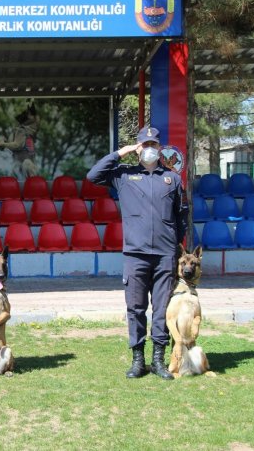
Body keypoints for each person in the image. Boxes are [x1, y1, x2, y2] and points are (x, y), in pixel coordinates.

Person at [86, 127, 188, 380]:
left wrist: (176, 245)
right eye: (145, 144)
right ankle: (138, 360)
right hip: (135, 254)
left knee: (162, 309)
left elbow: (181, 216)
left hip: (165, 254)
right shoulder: (124, 175)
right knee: (136, 308)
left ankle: (159, 360)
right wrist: (121, 153)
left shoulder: (171, 178)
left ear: (159, 147)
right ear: (138, 147)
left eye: (154, 144)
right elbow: (93, 176)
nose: (150, 148)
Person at [0, 103, 39, 178]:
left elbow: (17, 145)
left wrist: (2, 144)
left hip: (27, 165)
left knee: (26, 163)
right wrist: (3, 143)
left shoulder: (26, 130)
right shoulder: (19, 130)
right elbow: (12, 145)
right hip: (18, 164)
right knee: (16, 168)